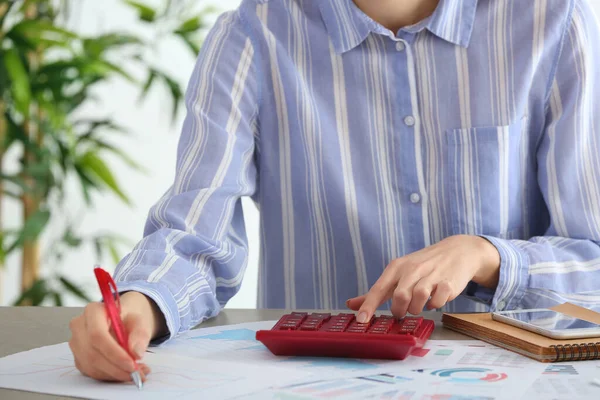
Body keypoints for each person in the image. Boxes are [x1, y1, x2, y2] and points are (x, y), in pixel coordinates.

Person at [69, 0, 600, 383]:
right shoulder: (253, 34)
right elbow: (195, 235)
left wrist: (488, 255)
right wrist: (142, 304)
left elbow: (593, 255)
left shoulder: (554, 24)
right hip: (315, 387)